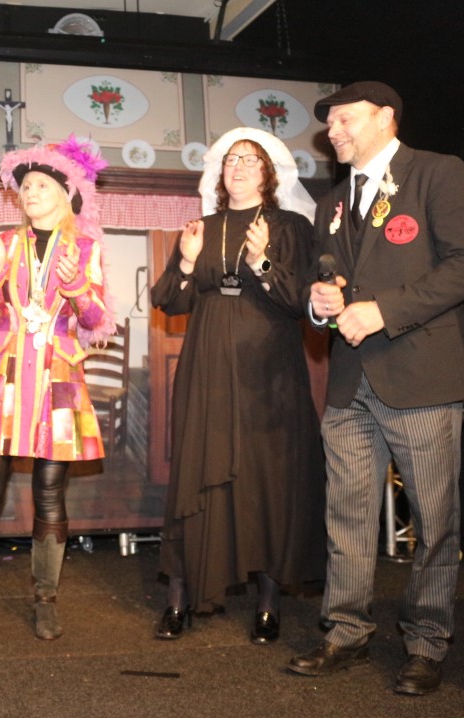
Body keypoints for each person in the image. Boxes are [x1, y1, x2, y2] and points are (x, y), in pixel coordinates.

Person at [288, 82, 464, 695]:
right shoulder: (332, 202)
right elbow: (321, 284)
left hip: (422, 376)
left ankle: (427, 643)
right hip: (349, 382)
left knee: (434, 519)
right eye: (329, 124)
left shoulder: (437, 173)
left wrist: (383, 310)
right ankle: (346, 631)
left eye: (345, 119)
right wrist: (320, 304)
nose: (333, 132)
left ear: (386, 117)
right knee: (346, 515)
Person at [150, 127, 326, 644]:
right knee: (198, 470)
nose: (240, 167)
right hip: (207, 368)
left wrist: (261, 261)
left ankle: (268, 605)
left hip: (269, 371)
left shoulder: (290, 226)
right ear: (218, 172)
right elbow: (170, 300)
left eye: (251, 160)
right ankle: (179, 597)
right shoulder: (201, 227)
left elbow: (300, 302)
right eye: (231, 160)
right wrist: (187, 260)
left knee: (267, 479)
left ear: (270, 173)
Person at [0, 136, 116, 641]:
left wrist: (76, 287)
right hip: (3, 376)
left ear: (66, 194)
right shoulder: (2, 242)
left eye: (42, 184)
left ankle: (45, 600)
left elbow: (95, 320)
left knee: (50, 495)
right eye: (25, 186)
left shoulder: (85, 249)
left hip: (57, 379)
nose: (30, 192)